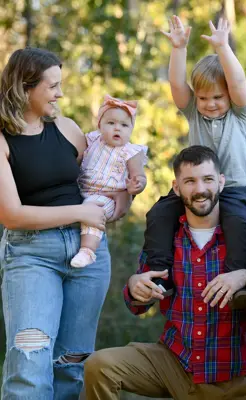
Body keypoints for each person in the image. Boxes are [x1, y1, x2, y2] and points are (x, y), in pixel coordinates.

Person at [0, 47, 131, 400]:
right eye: (53, 86)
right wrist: (80, 213)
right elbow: (11, 214)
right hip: (31, 254)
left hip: (89, 255)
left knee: (71, 366)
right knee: (29, 365)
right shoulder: (2, 139)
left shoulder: (68, 129)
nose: (60, 94)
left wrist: (121, 200)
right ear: (25, 87)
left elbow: (98, 180)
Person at [83, 146, 246, 400]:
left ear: (221, 182)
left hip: (225, 377)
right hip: (171, 360)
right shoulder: (165, 238)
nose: (200, 189)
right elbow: (136, 305)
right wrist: (135, 286)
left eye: (208, 179)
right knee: (100, 366)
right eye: (190, 181)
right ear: (176, 188)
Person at [142, 15, 246, 308]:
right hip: (194, 188)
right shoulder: (193, 112)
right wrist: (178, 48)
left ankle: (238, 280)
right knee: (158, 214)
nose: (211, 103)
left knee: (239, 222)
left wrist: (223, 48)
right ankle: (160, 276)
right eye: (204, 97)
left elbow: (239, 81)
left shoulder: (240, 114)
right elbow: (177, 83)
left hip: (233, 188)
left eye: (218, 96)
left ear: (229, 94)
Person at [70, 94, 147, 268]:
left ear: (131, 130)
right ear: (99, 125)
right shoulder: (92, 140)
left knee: (92, 210)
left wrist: (137, 185)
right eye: (111, 123)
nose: (117, 129)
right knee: (82, 207)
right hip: (83, 190)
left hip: (108, 197)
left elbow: (139, 175)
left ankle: (87, 251)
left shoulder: (131, 152)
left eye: (124, 125)